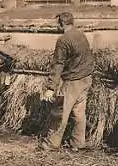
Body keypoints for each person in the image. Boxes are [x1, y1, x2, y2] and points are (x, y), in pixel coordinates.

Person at [38, 12, 94, 152]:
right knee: (79, 113)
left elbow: (58, 64)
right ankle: (78, 142)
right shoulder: (81, 35)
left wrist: (51, 87)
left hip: (72, 81)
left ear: (61, 23)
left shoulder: (63, 40)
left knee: (60, 112)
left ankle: (51, 143)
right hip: (86, 78)